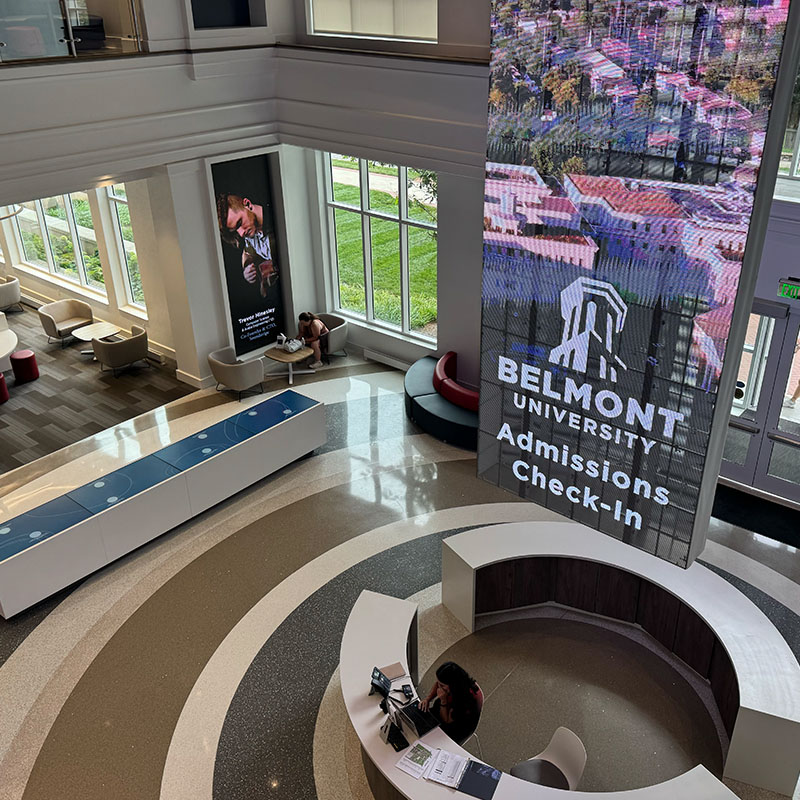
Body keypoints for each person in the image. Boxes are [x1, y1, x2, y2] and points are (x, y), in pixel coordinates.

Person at [216, 193, 278, 297]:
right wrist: (247, 269)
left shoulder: (278, 217)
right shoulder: (250, 236)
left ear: (248, 204)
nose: (241, 233)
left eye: (240, 223)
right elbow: (246, 253)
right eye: (236, 230)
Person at [419, 661, 483, 745]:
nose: (439, 687)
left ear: (453, 685)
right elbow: (438, 684)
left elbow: (447, 720)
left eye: (442, 685)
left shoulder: (465, 700)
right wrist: (428, 699)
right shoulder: (458, 682)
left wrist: (443, 700)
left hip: (456, 726)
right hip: (447, 707)